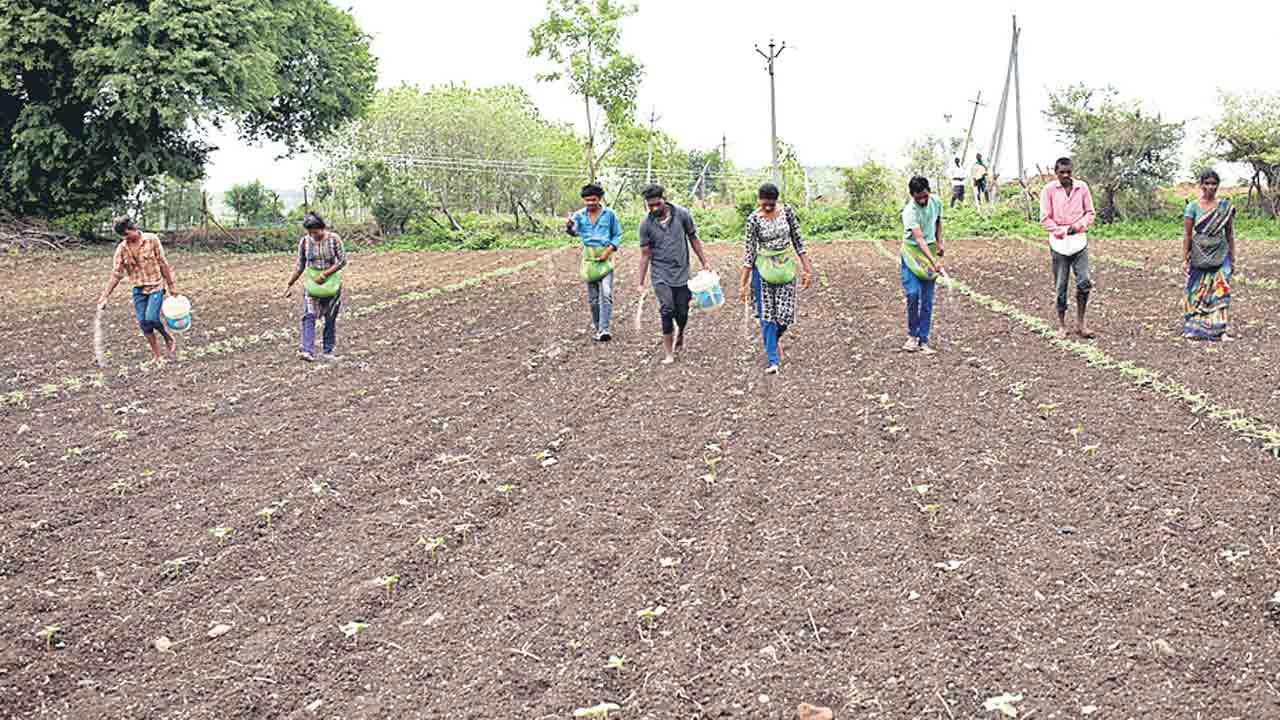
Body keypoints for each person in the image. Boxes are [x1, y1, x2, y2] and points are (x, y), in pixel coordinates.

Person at [739, 183, 813, 374]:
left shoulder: (787, 212)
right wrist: (743, 283)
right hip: (762, 270)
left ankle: (774, 339)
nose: (767, 207)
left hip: (785, 268)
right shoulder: (753, 220)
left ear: (776, 201)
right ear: (759, 200)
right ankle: (773, 359)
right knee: (767, 315)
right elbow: (749, 252)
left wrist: (807, 269)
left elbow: (798, 241)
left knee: (785, 315)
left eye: (771, 204)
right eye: (764, 203)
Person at [637, 184, 711, 365]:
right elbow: (645, 254)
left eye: (658, 204)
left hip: (682, 272)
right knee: (667, 309)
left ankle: (681, 332)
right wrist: (641, 282)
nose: (654, 208)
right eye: (650, 205)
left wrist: (704, 262)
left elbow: (693, 238)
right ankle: (669, 353)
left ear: (664, 199)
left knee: (682, 311)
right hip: (660, 273)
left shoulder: (682, 214)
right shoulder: (645, 224)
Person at [96, 216, 180, 362]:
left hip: (156, 286)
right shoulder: (122, 249)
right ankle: (157, 356)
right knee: (143, 323)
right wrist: (105, 296)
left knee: (152, 318)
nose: (125, 238)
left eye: (126, 234)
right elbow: (116, 274)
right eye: (122, 236)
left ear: (133, 229)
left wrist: (171, 285)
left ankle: (167, 336)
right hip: (138, 289)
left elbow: (162, 263)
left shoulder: (151, 240)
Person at [1039, 157, 1096, 338]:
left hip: (1078, 240)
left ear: (1072, 171)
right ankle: (1062, 326)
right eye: (1061, 172)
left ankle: (1081, 324)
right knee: (1060, 286)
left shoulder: (1082, 187)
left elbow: (1090, 213)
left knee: (1084, 282)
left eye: (1068, 172)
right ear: (1056, 173)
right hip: (1059, 243)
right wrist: (1060, 230)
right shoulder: (1048, 190)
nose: (1065, 175)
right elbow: (1045, 218)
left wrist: (1077, 226)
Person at [283, 212, 347, 361]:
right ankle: (307, 351)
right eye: (310, 232)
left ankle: (328, 351)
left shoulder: (334, 239)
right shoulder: (305, 242)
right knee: (309, 315)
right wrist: (289, 284)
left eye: (316, 232)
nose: (313, 235)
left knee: (330, 318)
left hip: (331, 284)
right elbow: (300, 265)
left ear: (322, 228)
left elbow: (342, 261)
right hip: (312, 284)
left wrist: (325, 274)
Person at [1182, 169, 1236, 341]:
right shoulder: (1192, 207)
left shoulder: (1224, 208)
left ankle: (1220, 330)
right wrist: (1185, 258)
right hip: (1199, 254)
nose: (1210, 187)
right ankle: (1195, 329)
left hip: (1221, 253)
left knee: (1221, 290)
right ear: (1201, 185)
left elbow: (1229, 234)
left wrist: (1232, 257)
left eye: (1214, 183)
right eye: (1207, 183)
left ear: (1218, 186)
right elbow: (1187, 235)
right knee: (1197, 291)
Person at [565, 183, 622, 342]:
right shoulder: (579, 215)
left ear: (600, 199)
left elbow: (617, 235)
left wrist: (607, 251)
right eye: (587, 200)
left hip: (605, 259)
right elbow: (574, 232)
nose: (590, 203)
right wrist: (569, 228)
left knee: (606, 294)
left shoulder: (609, 215)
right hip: (589, 260)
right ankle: (598, 327)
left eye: (593, 200)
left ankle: (604, 329)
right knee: (593, 299)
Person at [899, 176, 945, 355]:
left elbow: (938, 222)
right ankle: (912, 335)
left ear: (929, 192)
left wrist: (940, 243)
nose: (923, 200)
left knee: (927, 299)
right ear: (912, 195)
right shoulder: (909, 212)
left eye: (925, 196)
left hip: (930, 249)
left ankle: (923, 340)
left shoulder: (936, 202)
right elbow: (918, 239)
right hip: (912, 253)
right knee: (912, 294)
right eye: (918, 198)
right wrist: (934, 262)